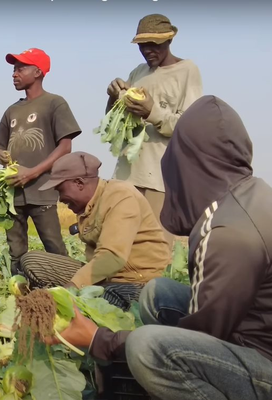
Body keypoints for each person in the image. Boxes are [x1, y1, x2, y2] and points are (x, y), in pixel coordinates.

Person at [58, 96, 272, 400]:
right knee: (158, 293)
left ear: (189, 163)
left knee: (148, 348)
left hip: (264, 365)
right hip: (254, 334)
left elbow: (201, 337)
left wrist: (100, 340)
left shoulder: (226, 231)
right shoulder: (253, 193)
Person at [20, 152, 169, 310]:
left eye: (60, 190)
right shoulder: (87, 206)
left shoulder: (121, 196)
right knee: (32, 261)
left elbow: (112, 256)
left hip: (136, 282)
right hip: (104, 278)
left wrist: (73, 286)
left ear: (79, 183)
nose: (60, 198)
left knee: (105, 300)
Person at [106, 14, 203, 247]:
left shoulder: (187, 71)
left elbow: (189, 127)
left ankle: (153, 286)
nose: (148, 50)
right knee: (120, 242)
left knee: (154, 246)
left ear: (169, 41)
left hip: (160, 176)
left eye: (154, 44)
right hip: (127, 173)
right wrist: (112, 98)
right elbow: (116, 123)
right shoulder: (138, 73)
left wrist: (151, 111)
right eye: (142, 45)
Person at [0, 48, 82, 274]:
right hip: (13, 194)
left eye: (21, 68)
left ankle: (69, 290)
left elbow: (65, 146)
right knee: (16, 251)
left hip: (42, 190)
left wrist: (31, 173)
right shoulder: (12, 110)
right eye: (14, 69)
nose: (14, 73)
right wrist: (0, 154)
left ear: (38, 71)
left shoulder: (54, 103)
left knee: (53, 246)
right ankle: (21, 290)